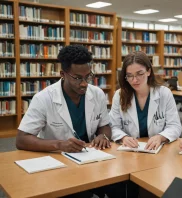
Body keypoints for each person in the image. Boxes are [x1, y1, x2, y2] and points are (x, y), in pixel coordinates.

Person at [16, 45, 115, 198]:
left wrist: (104, 136)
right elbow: (21, 139)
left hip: (91, 159)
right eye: (77, 78)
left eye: (88, 76)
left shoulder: (97, 94)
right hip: (59, 162)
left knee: (121, 186)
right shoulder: (44, 98)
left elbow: (104, 125)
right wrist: (60, 144)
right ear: (63, 74)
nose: (84, 83)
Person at [109, 51, 182, 150]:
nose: (134, 80)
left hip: (159, 151)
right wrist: (123, 138)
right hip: (130, 151)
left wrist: (161, 137)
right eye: (130, 75)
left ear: (148, 71)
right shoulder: (119, 95)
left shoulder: (164, 94)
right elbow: (113, 127)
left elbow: (175, 126)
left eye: (139, 74)